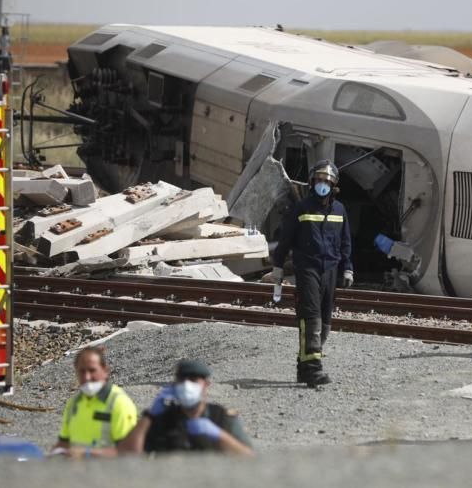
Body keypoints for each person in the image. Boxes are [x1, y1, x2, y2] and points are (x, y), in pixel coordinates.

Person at [272, 159, 353, 387]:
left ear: (334, 184)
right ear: (311, 182)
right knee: (311, 317)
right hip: (307, 268)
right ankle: (313, 370)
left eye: (327, 181)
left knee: (325, 324)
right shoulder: (302, 208)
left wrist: (348, 268)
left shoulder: (340, 210)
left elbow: (345, 242)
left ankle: (303, 366)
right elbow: (286, 238)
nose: (322, 184)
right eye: (319, 180)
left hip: (330, 270)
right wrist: (278, 265)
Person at [124, 359, 253, 456]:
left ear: (206, 385)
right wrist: (150, 416)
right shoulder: (164, 419)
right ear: (175, 383)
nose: (187, 385)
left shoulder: (221, 418)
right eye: (182, 380)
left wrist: (219, 435)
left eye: (193, 380)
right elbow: (127, 455)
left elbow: (250, 459)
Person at [52, 346, 138, 458]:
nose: (87, 377)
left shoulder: (119, 404)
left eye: (92, 370)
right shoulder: (73, 404)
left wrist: (87, 454)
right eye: (82, 371)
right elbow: (63, 443)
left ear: (105, 371)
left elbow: (128, 452)